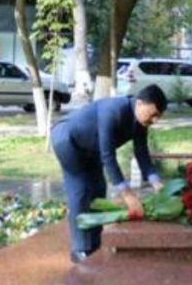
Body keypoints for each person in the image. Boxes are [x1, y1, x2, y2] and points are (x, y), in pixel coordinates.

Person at [51, 85, 167, 263]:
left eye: (158, 116)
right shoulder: (114, 111)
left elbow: (141, 153)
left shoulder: (141, 122)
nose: (155, 120)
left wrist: (156, 183)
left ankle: (94, 243)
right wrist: (127, 194)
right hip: (68, 139)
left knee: (98, 189)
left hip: (90, 146)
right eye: (153, 114)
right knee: (80, 190)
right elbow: (108, 155)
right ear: (140, 104)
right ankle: (79, 250)